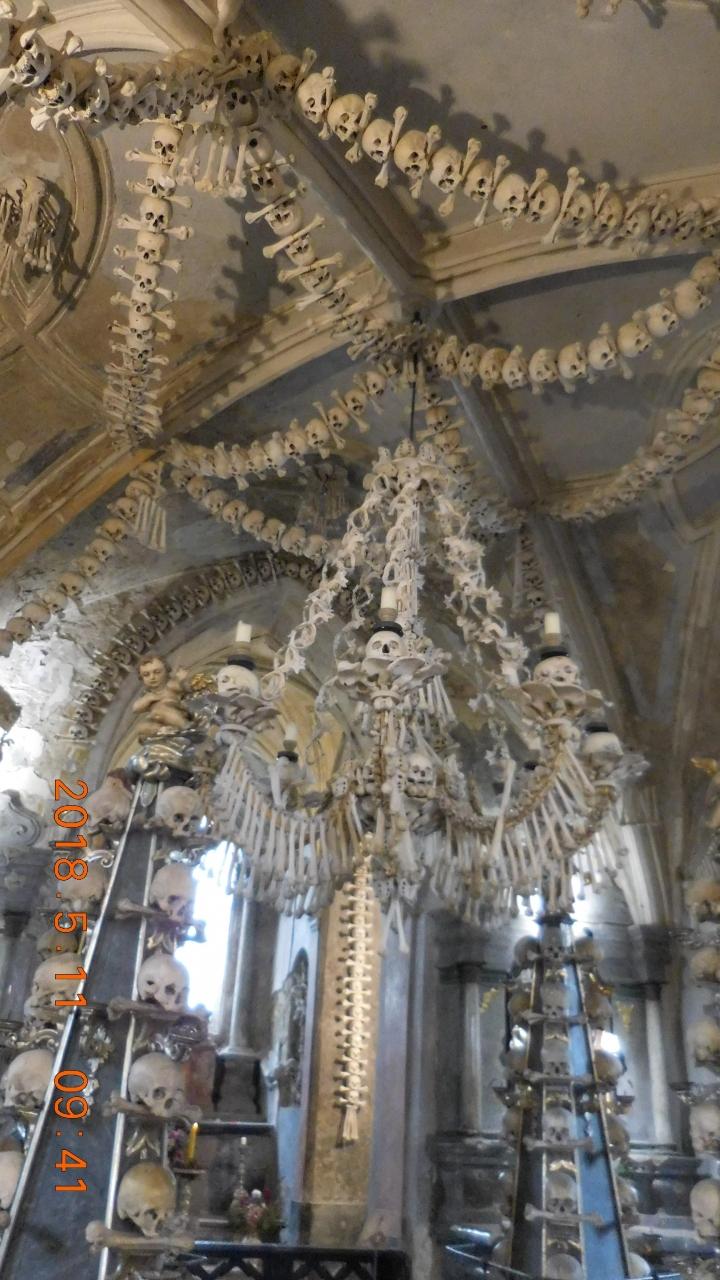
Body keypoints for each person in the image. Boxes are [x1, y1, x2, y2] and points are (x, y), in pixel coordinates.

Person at [132, 653, 192, 739]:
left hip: (177, 712)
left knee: (159, 710)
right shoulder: (147, 695)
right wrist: (147, 699)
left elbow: (183, 688)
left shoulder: (170, 685)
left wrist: (179, 678)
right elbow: (135, 708)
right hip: (158, 721)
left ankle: (185, 725)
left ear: (166, 671)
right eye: (146, 674)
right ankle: (164, 730)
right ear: (141, 678)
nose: (152, 677)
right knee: (140, 727)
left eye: (157, 672)